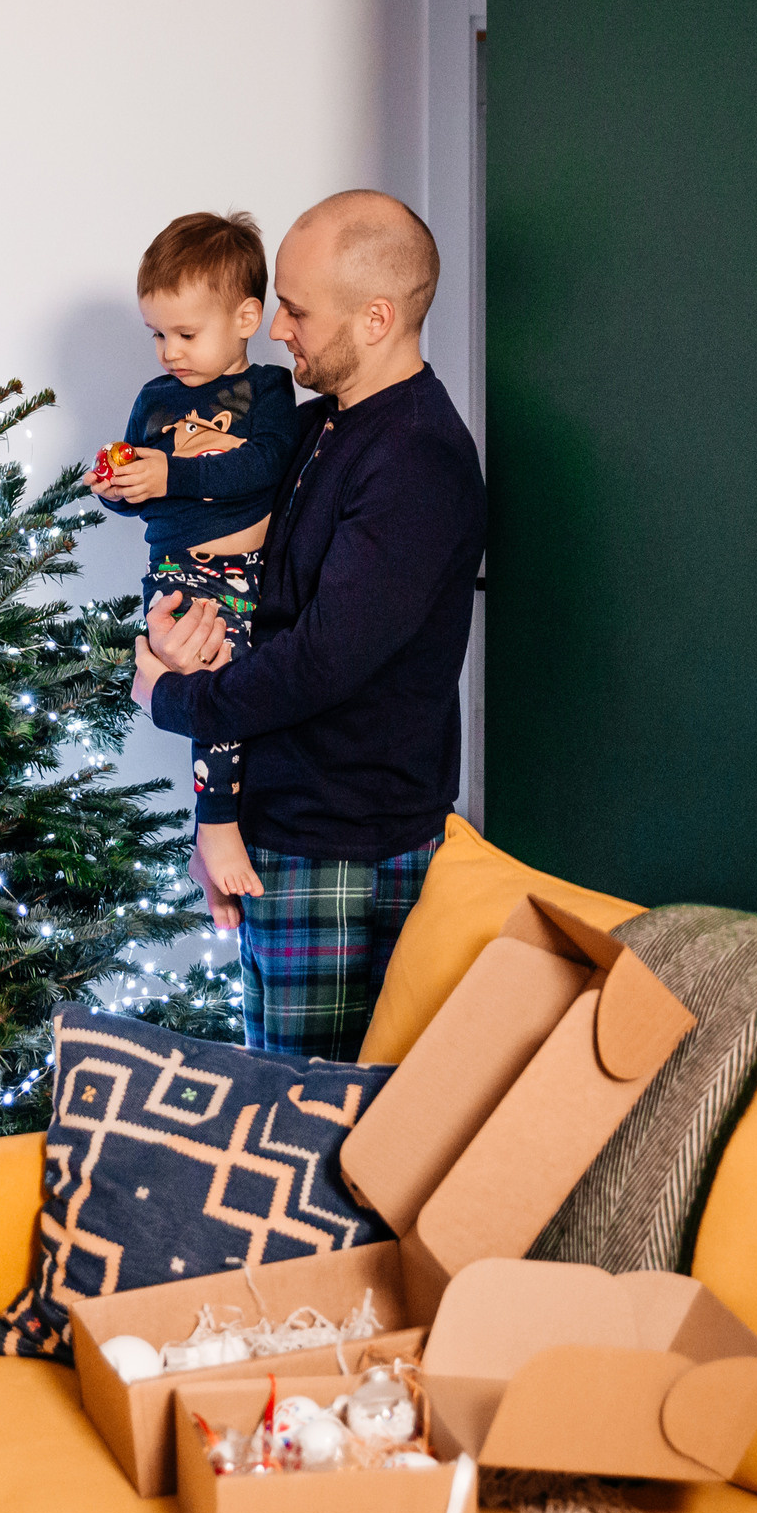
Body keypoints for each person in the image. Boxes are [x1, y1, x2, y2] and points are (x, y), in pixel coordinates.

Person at [131, 190, 486, 1061]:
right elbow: (254, 603)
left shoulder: (416, 456)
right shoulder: (318, 425)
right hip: (285, 832)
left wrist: (170, 694)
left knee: (307, 1125)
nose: (277, 329)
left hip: (343, 845)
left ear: (375, 318)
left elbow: (322, 660)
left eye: (295, 308)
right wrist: (223, 820)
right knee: (281, 1105)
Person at [84, 211, 300, 905]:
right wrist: (120, 490)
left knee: (238, 692)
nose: (168, 352)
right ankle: (215, 825)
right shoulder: (155, 400)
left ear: (245, 317)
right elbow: (144, 495)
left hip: (249, 575)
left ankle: (220, 822)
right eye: (157, 334)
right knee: (208, 678)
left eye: (185, 333)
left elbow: (266, 466)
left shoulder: (267, 390)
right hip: (179, 573)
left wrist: (173, 472)